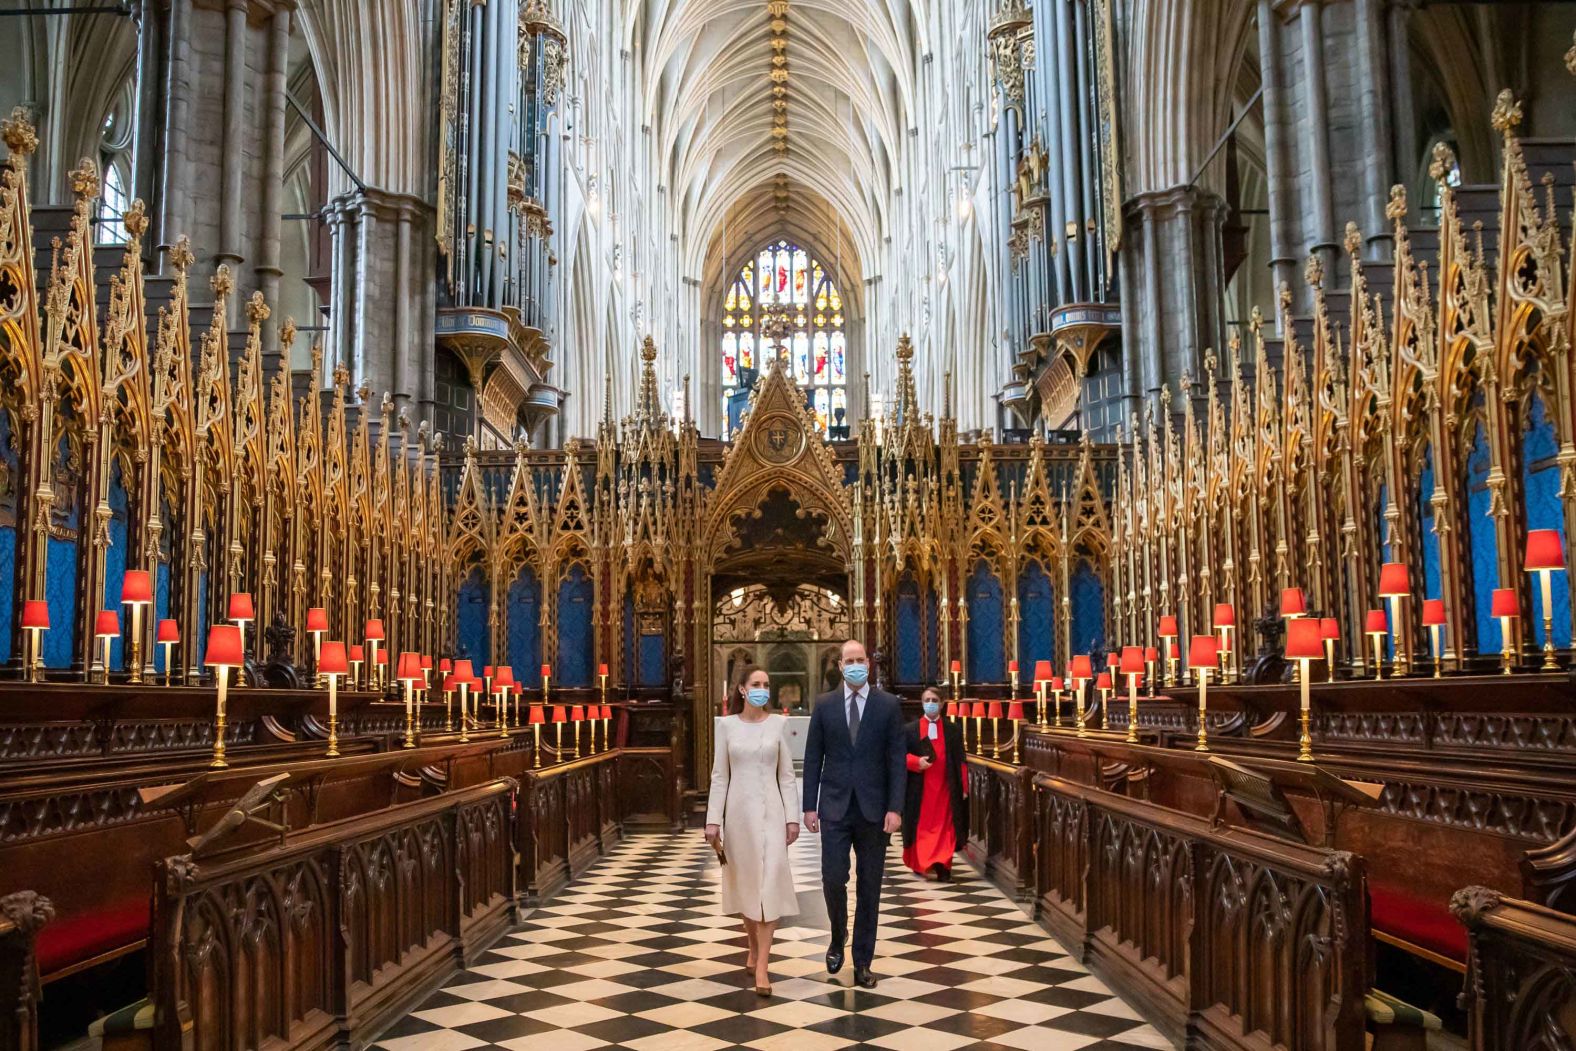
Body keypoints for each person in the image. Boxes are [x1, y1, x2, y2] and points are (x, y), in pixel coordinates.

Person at [802, 639, 906, 989]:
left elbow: (896, 761)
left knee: (870, 886)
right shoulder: (825, 704)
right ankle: (837, 935)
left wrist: (895, 807)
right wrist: (808, 806)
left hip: (875, 809)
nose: (857, 664)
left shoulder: (888, 705)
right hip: (833, 805)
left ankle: (863, 960)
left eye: (862, 659)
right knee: (832, 877)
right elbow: (814, 756)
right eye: (850, 660)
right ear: (840, 665)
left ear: (869, 664)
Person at [704, 666, 799, 997]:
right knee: (746, 883)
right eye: (756, 684)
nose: (762, 689)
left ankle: (763, 966)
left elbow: (786, 775)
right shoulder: (727, 726)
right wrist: (713, 820)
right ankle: (752, 943)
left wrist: (792, 818)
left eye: (766, 684)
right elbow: (720, 775)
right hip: (738, 814)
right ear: (742, 690)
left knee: (769, 880)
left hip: (772, 812)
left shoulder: (779, 724)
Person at [902, 686, 968, 881]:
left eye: (934, 700)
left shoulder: (953, 730)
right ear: (922, 703)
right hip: (920, 789)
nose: (930, 703)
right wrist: (916, 762)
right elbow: (898, 756)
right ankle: (922, 863)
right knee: (921, 827)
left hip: (946, 788)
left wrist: (964, 786)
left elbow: (961, 760)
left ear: (942, 704)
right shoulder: (910, 730)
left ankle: (943, 865)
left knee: (946, 827)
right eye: (927, 700)